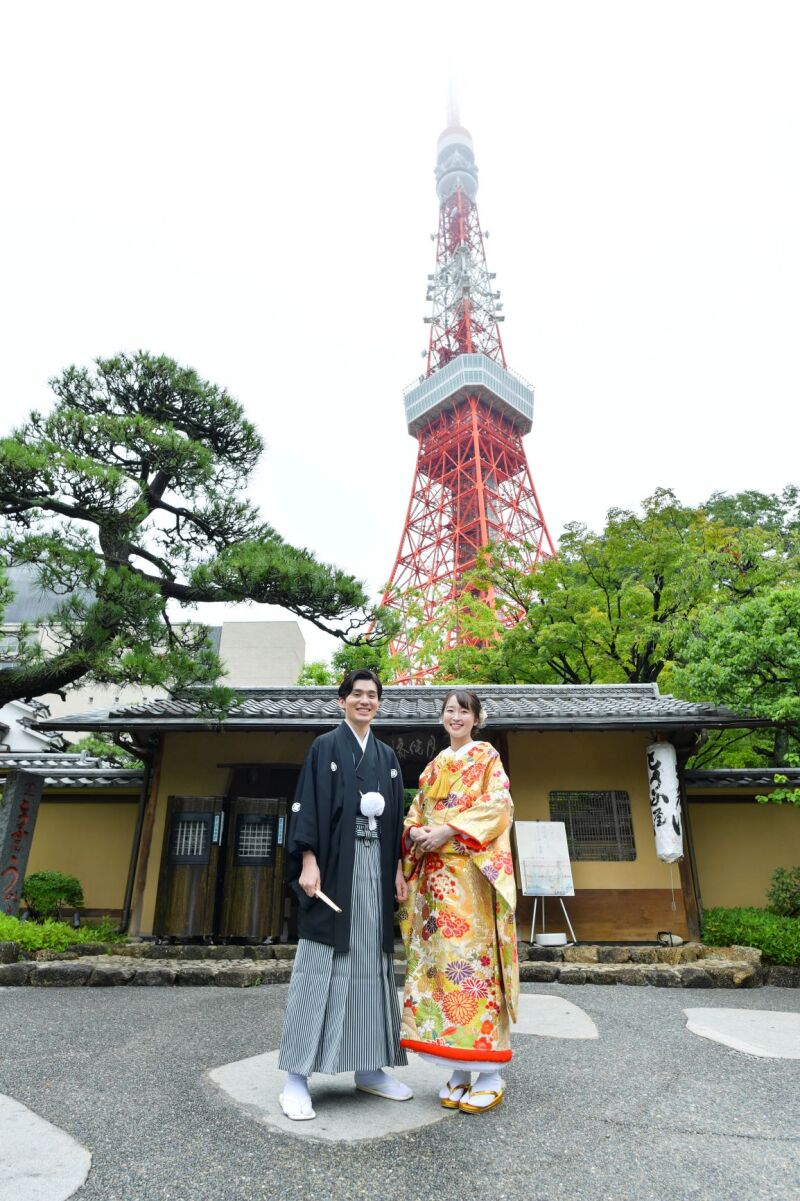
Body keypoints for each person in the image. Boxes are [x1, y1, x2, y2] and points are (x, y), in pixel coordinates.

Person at [277, 669, 412, 1120]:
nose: (364, 701)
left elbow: (395, 821)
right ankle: (297, 1076)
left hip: (373, 870)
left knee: (371, 965)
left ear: (379, 703)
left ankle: (369, 1067)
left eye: (372, 695)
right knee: (321, 963)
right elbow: (309, 805)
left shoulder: (388, 757)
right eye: (356, 694)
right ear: (341, 701)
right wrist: (308, 861)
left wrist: (396, 868)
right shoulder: (325, 747)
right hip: (335, 870)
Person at [398, 688, 518, 1114]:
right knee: (441, 970)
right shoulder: (433, 768)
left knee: (474, 967)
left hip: (469, 879)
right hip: (434, 885)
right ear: (442, 717)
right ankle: (458, 1067)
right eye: (450, 710)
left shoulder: (486, 758)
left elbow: (499, 806)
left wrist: (448, 830)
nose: (456, 717)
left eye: (463, 711)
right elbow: (416, 812)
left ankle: (489, 1071)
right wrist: (414, 833)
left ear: (476, 718)